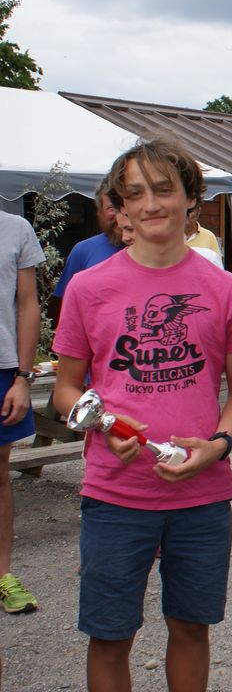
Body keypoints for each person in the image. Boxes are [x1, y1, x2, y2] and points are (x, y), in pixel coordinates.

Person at [51, 134, 232, 692]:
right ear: (119, 208)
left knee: (190, 627)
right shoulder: (88, 288)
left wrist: (219, 445)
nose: (151, 204)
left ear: (191, 198)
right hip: (115, 494)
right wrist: (101, 424)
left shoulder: (225, 289)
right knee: (110, 635)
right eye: (135, 194)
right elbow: (66, 390)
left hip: (202, 496)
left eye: (164, 189)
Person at [0, 209, 45, 616]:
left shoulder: (15, 228)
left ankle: (2, 575)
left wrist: (23, 377)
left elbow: (28, 305)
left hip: (3, 368)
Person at [48, 178, 122, 320]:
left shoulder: (154, 250)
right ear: (99, 212)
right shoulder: (83, 251)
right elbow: (65, 307)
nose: (120, 215)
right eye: (112, 208)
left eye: (124, 206)